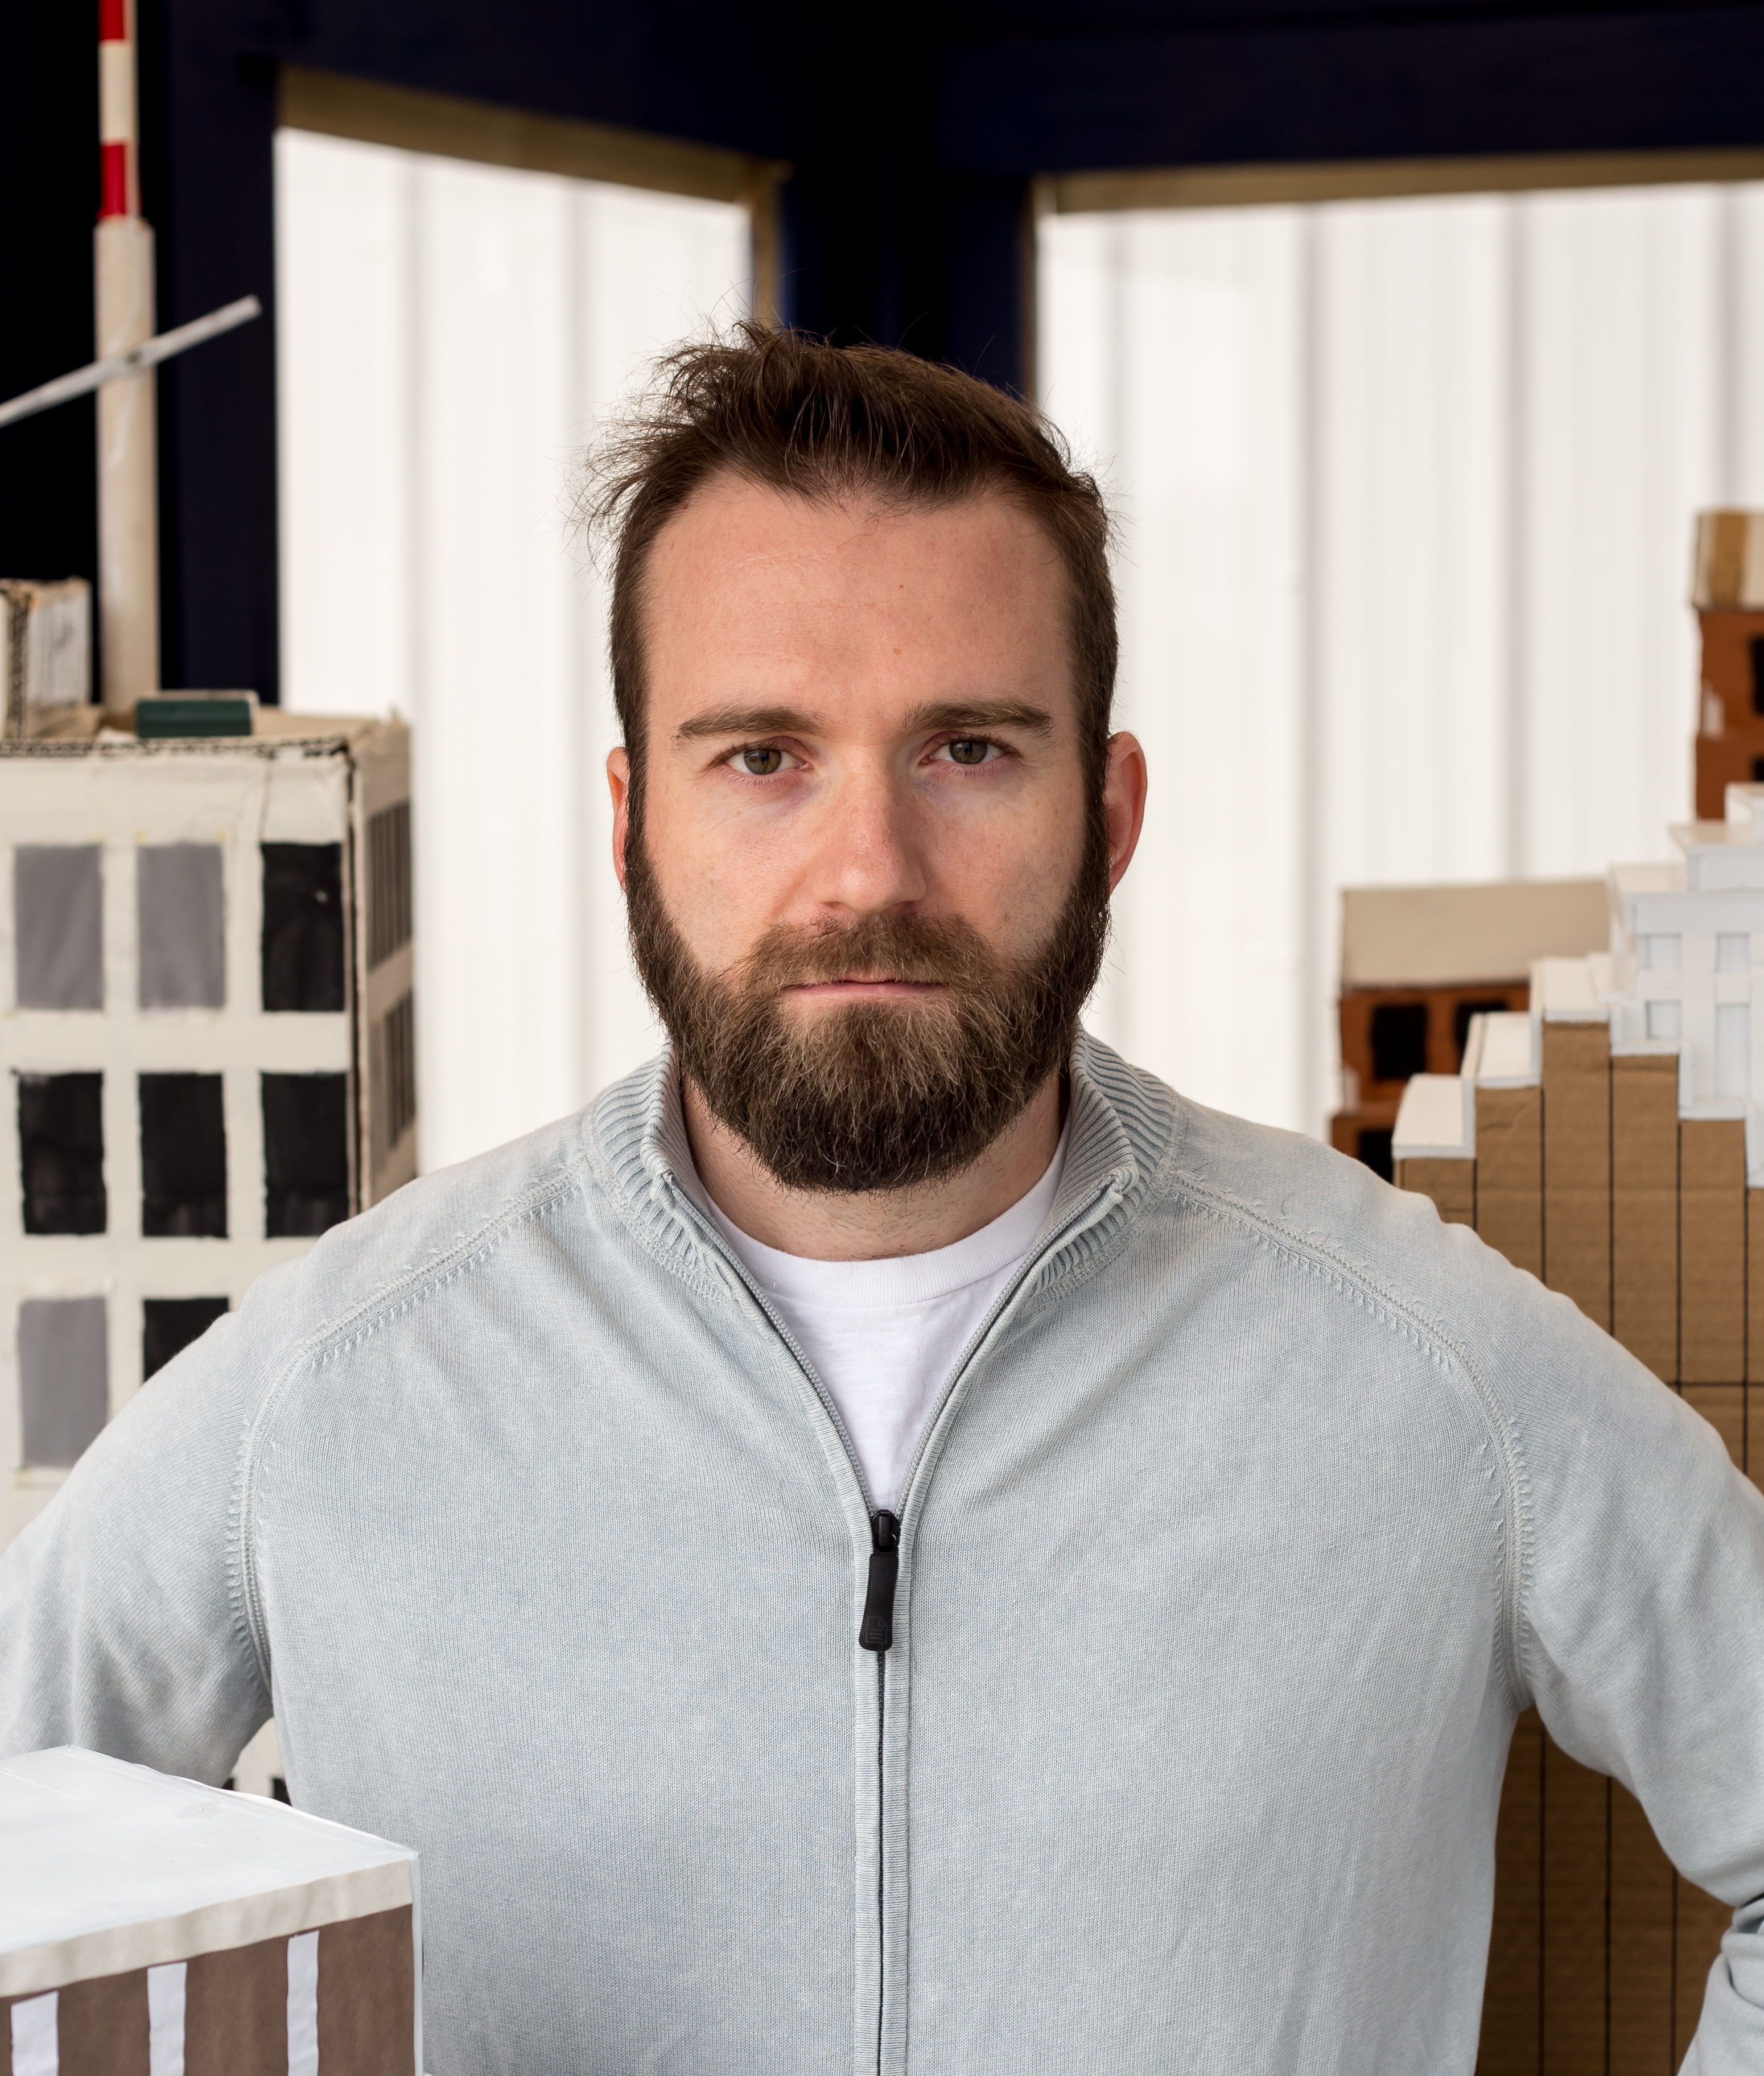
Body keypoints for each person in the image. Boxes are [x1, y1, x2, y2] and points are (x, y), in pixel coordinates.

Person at [5, 327, 1764, 2075]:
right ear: (630, 820)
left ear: (1112, 809)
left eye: (969, 751)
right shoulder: (329, 1389)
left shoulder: (1434, 1374)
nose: (868, 871)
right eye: (762, 755)